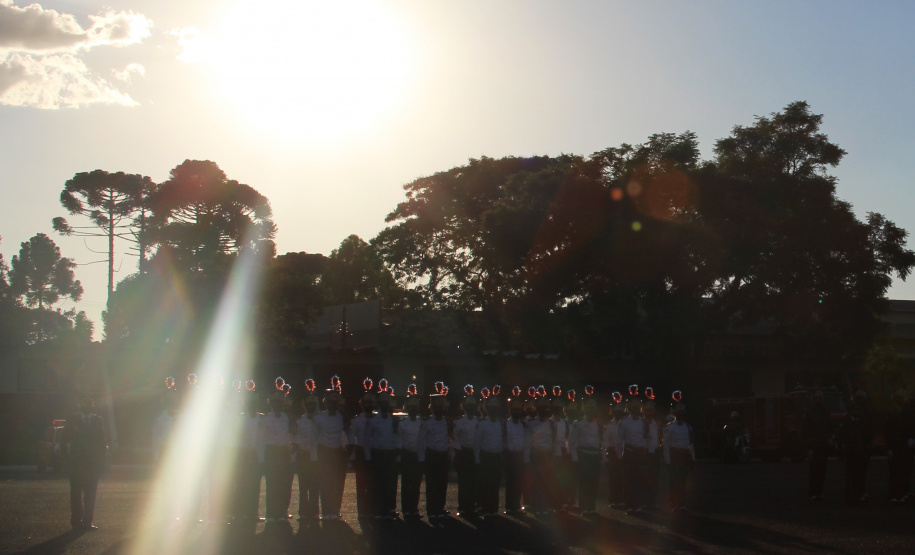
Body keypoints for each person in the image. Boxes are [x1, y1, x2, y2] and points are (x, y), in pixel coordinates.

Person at [64, 397, 108, 530]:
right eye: (85, 403)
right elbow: (64, 441)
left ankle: (87, 521)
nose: (88, 406)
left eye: (90, 403)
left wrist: (102, 459)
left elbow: (102, 441)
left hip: (92, 464)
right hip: (77, 463)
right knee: (76, 494)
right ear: (80, 405)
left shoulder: (97, 420)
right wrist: (66, 460)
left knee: (90, 494)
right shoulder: (72, 420)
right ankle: (76, 522)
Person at [311, 389, 349, 520]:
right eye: (330, 402)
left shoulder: (342, 417)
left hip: (337, 453)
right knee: (325, 483)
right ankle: (326, 511)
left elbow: (346, 435)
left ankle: (335, 510)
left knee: (338, 483)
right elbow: (313, 439)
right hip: (324, 453)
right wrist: (315, 457)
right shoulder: (318, 418)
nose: (332, 404)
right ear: (325, 403)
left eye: (335, 402)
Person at [257, 392, 294, 522]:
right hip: (271, 452)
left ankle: (281, 512)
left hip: (283, 452)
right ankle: (271, 514)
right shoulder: (266, 419)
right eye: (274, 403)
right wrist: (261, 458)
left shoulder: (287, 418)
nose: (277, 405)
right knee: (272, 484)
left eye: (279, 402)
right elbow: (260, 440)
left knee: (284, 484)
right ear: (270, 404)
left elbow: (290, 435)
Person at [365, 392, 401, 520]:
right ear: (379, 405)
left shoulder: (394, 420)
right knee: (378, 484)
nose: (385, 406)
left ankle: (390, 510)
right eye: (383, 403)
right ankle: (378, 511)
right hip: (378, 454)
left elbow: (397, 437)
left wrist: (398, 451)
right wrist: (368, 457)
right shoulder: (373, 420)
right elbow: (367, 439)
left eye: (387, 403)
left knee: (391, 484)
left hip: (390, 454)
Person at [836, 392, 874, 506]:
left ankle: (859, 495)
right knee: (850, 477)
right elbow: (840, 436)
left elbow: (867, 436)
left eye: (858, 410)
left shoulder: (863, 421)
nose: (856, 412)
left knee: (860, 476)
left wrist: (867, 448)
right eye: (854, 410)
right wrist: (841, 449)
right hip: (850, 452)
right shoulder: (847, 422)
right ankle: (851, 498)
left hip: (861, 452)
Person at [418, 393, 452, 519]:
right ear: (432, 408)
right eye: (437, 406)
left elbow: (450, 438)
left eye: (441, 406)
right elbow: (421, 441)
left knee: (442, 484)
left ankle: (440, 508)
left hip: (443, 456)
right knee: (432, 484)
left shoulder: (447, 421)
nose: (439, 409)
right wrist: (422, 458)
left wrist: (450, 454)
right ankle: (432, 511)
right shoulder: (427, 422)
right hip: (432, 455)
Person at [474, 396, 504, 517]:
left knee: (495, 484)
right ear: (486, 409)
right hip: (486, 456)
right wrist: (477, 458)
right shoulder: (482, 424)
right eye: (491, 407)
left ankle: (494, 509)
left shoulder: (501, 423)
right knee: (486, 484)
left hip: (497, 457)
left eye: (495, 407)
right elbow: (477, 442)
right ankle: (486, 508)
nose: (494, 410)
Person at [570, 399, 602, 516]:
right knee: (584, 482)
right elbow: (572, 442)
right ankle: (584, 507)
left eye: (593, 408)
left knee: (594, 482)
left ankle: (591, 507)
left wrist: (601, 456)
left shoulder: (598, 424)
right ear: (584, 409)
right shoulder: (578, 424)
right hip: (583, 454)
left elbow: (600, 441)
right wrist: (574, 458)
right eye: (588, 408)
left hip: (595, 455)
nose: (591, 410)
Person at [617, 397, 648, 514]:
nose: (636, 409)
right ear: (629, 408)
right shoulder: (624, 421)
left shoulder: (644, 422)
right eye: (633, 407)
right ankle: (629, 505)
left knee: (639, 480)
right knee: (628, 480)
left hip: (640, 453)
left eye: (637, 407)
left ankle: (638, 504)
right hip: (629, 453)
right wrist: (620, 456)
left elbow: (645, 438)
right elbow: (619, 441)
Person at [663, 403, 695, 512]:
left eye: (682, 412)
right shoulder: (669, 427)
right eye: (679, 412)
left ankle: (681, 504)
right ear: (675, 413)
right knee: (674, 482)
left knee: (683, 481)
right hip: (674, 456)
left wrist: (692, 459)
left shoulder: (688, 427)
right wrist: (667, 461)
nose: (681, 414)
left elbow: (690, 444)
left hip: (684, 456)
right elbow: (666, 445)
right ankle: (674, 504)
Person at [293, 394, 319, 521]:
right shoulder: (299, 421)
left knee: (315, 486)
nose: (311, 407)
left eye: (313, 404)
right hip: (303, 455)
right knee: (303, 486)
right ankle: (303, 512)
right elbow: (295, 438)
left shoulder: (320, 419)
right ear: (304, 405)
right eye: (309, 404)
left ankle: (314, 511)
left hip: (316, 457)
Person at [398, 392, 424, 519]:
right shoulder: (402, 424)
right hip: (407, 455)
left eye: (415, 407)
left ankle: (414, 508)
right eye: (411, 407)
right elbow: (399, 441)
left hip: (418, 456)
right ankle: (406, 510)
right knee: (406, 484)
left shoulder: (421, 422)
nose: (413, 409)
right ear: (407, 408)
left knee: (416, 484)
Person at [803, 389, 832, 501]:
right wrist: (808, 447)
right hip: (814, 444)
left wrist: (830, 438)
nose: (818, 400)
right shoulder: (809, 413)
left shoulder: (825, 412)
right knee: (814, 470)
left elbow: (829, 427)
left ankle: (819, 492)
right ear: (813, 399)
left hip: (823, 444)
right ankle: (813, 492)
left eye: (820, 398)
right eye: (817, 398)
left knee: (822, 470)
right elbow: (805, 431)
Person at [453, 395, 479, 516]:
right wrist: (458, 451)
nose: (471, 408)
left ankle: (472, 506)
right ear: (464, 407)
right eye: (468, 406)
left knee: (474, 481)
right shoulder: (459, 421)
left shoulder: (478, 421)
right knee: (463, 482)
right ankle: (463, 507)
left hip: (474, 453)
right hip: (463, 453)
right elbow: (455, 437)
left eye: (472, 406)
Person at [504, 397, 527, 514]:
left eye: (519, 409)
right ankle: (509, 506)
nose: (517, 411)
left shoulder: (524, 425)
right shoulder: (505, 424)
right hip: (509, 455)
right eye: (514, 409)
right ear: (510, 410)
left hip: (520, 455)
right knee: (510, 482)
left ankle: (517, 506)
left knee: (519, 481)